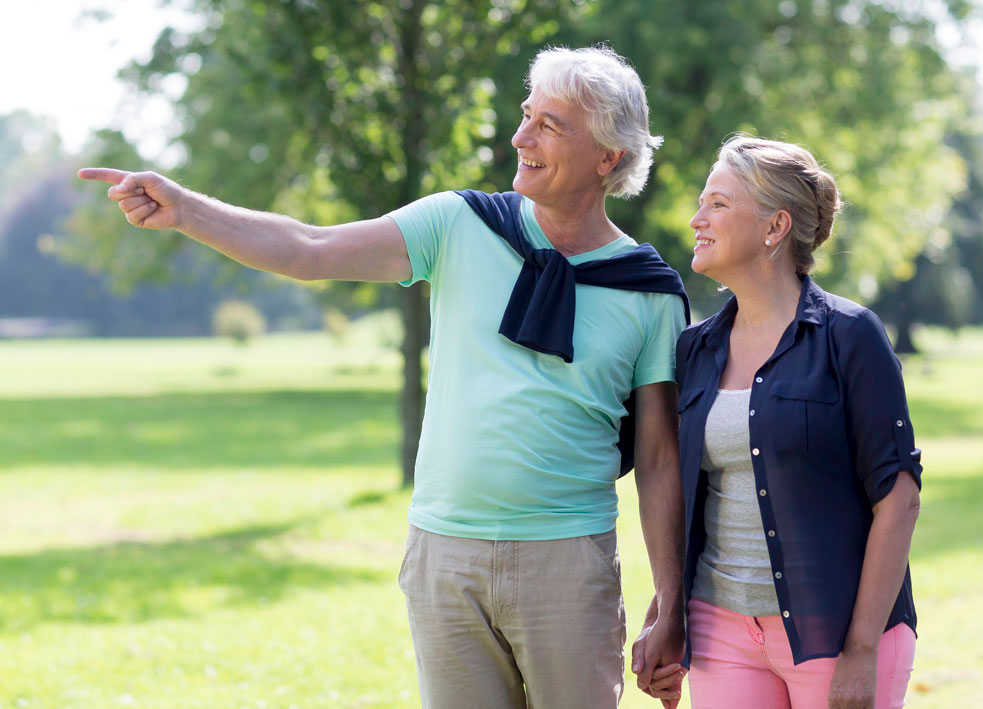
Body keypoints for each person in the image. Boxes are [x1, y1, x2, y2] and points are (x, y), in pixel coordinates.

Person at [79, 46, 690, 708]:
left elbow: (660, 459)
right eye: (525, 114)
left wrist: (670, 601)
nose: (520, 137)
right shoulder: (457, 224)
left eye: (549, 125)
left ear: (608, 156)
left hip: (567, 563)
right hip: (444, 558)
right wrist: (187, 210)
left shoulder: (649, 293)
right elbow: (309, 250)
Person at [658, 135, 922, 709]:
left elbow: (899, 499)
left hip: (837, 632)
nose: (697, 220)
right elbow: (684, 492)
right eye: (702, 203)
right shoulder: (694, 348)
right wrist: (668, 613)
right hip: (720, 630)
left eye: (718, 204)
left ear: (775, 227)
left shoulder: (851, 336)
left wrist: (861, 651)